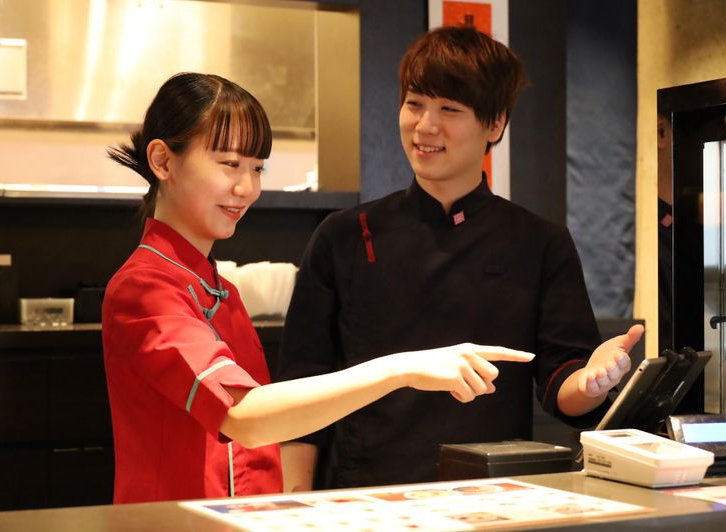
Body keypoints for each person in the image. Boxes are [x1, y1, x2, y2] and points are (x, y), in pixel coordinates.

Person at [101, 72, 535, 504]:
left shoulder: (219, 288)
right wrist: (401, 369)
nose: (247, 188)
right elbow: (243, 416)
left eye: (257, 168)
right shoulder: (145, 287)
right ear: (162, 161)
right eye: (230, 164)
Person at [275, 26, 644, 491]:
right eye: (414, 103)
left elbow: (562, 386)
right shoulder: (345, 234)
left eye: (449, 109)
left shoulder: (539, 242)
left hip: (493, 494)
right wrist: (293, 499)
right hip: (365, 494)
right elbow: (302, 382)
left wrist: (592, 380)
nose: (426, 126)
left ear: (495, 124)